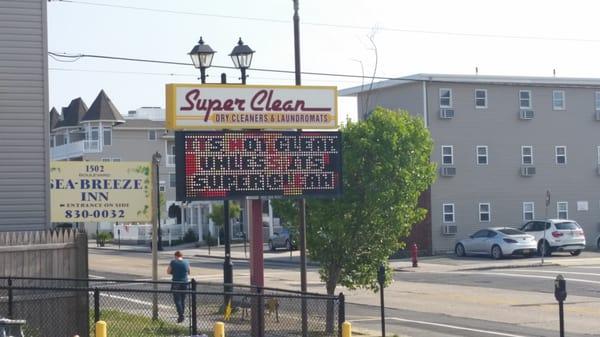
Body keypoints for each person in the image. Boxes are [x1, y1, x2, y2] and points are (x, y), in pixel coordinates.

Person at [167, 250, 190, 323]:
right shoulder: (186, 262)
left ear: (176, 256)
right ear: (182, 256)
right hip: (185, 283)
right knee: (183, 300)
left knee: (177, 300)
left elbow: (168, 271)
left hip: (176, 283)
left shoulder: (173, 262)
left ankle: (181, 315)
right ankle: (182, 314)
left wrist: (174, 272)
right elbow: (189, 272)